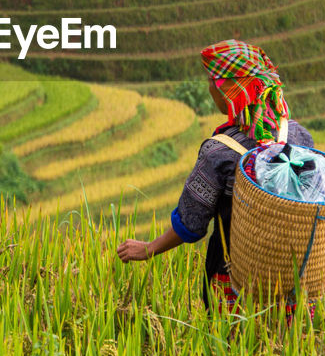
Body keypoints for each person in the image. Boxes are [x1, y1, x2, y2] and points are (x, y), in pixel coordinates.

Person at [116, 39, 314, 310]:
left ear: (230, 91)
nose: (209, 88)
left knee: (232, 350)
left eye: (213, 81)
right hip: (292, 281)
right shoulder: (298, 136)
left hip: (234, 281)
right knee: (286, 347)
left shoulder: (219, 153)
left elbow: (191, 223)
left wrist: (149, 248)